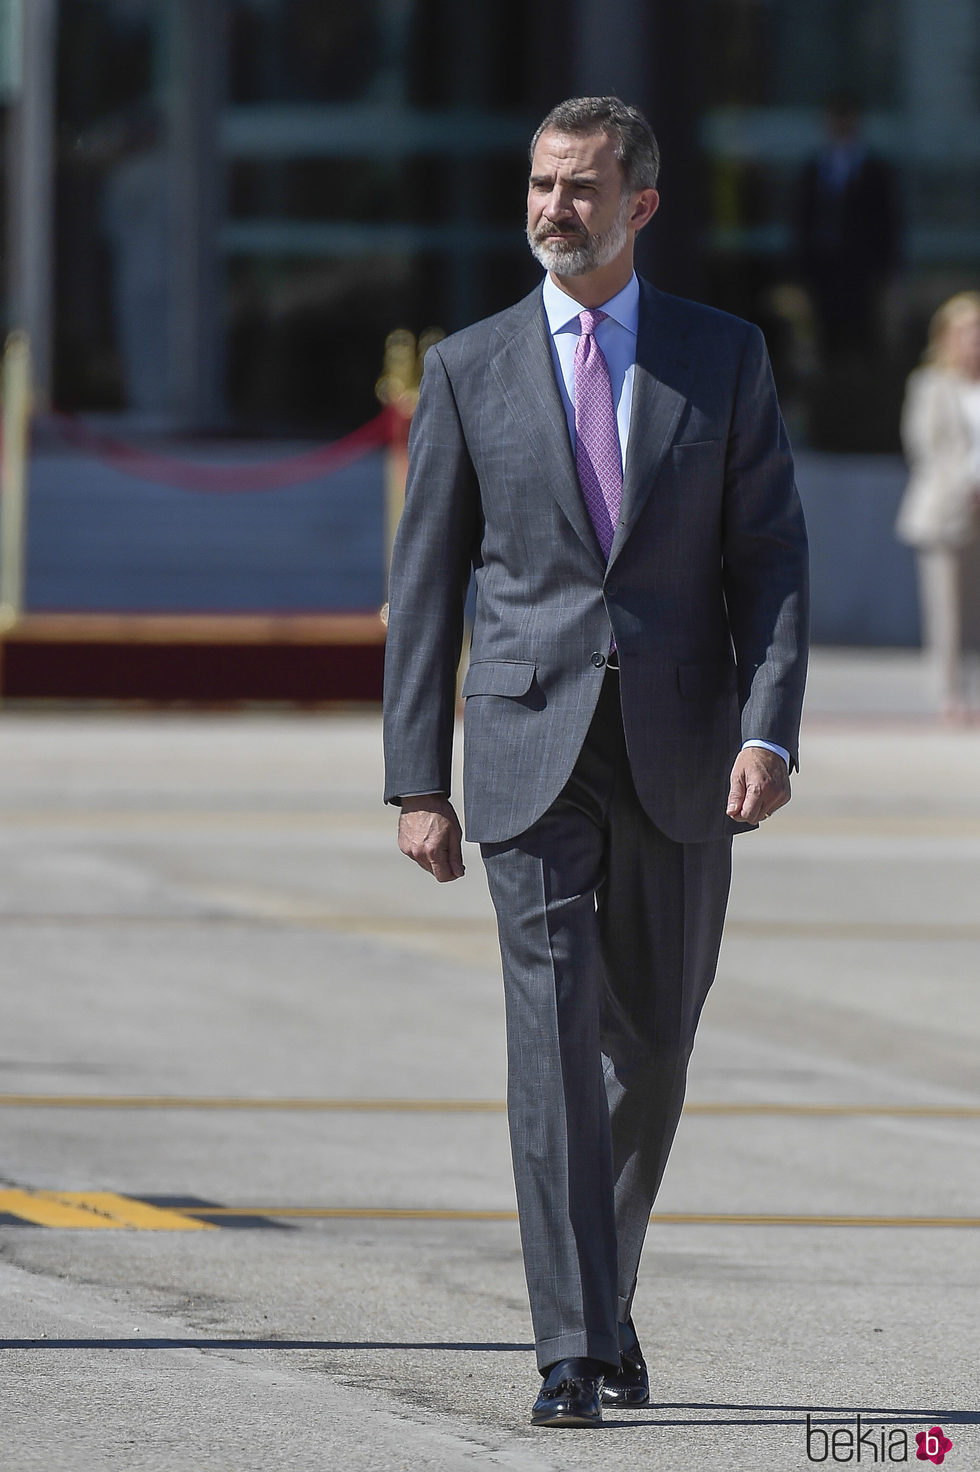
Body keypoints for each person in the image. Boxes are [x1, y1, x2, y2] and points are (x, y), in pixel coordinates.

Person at [383, 96, 809, 1429]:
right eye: (541, 184)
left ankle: (603, 1287)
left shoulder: (722, 358)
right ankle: (567, 1345)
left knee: (655, 1053)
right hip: (526, 746)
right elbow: (427, 587)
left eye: (583, 187)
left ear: (642, 206)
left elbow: (774, 563)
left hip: (685, 748)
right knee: (553, 1047)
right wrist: (416, 780)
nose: (555, 207)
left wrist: (769, 723)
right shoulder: (469, 369)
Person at [896, 292, 980, 719]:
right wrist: (968, 481)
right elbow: (924, 444)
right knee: (947, 610)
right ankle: (951, 693)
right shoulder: (930, 384)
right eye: (968, 332)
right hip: (945, 511)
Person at [794, 91, 900, 365]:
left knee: (864, 341)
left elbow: (888, 223)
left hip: (863, 274)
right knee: (825, 342)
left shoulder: (876, 170)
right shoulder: (814, 168)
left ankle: (859, 399)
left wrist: (887, 272)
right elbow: (801, 223)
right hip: (823, 271)